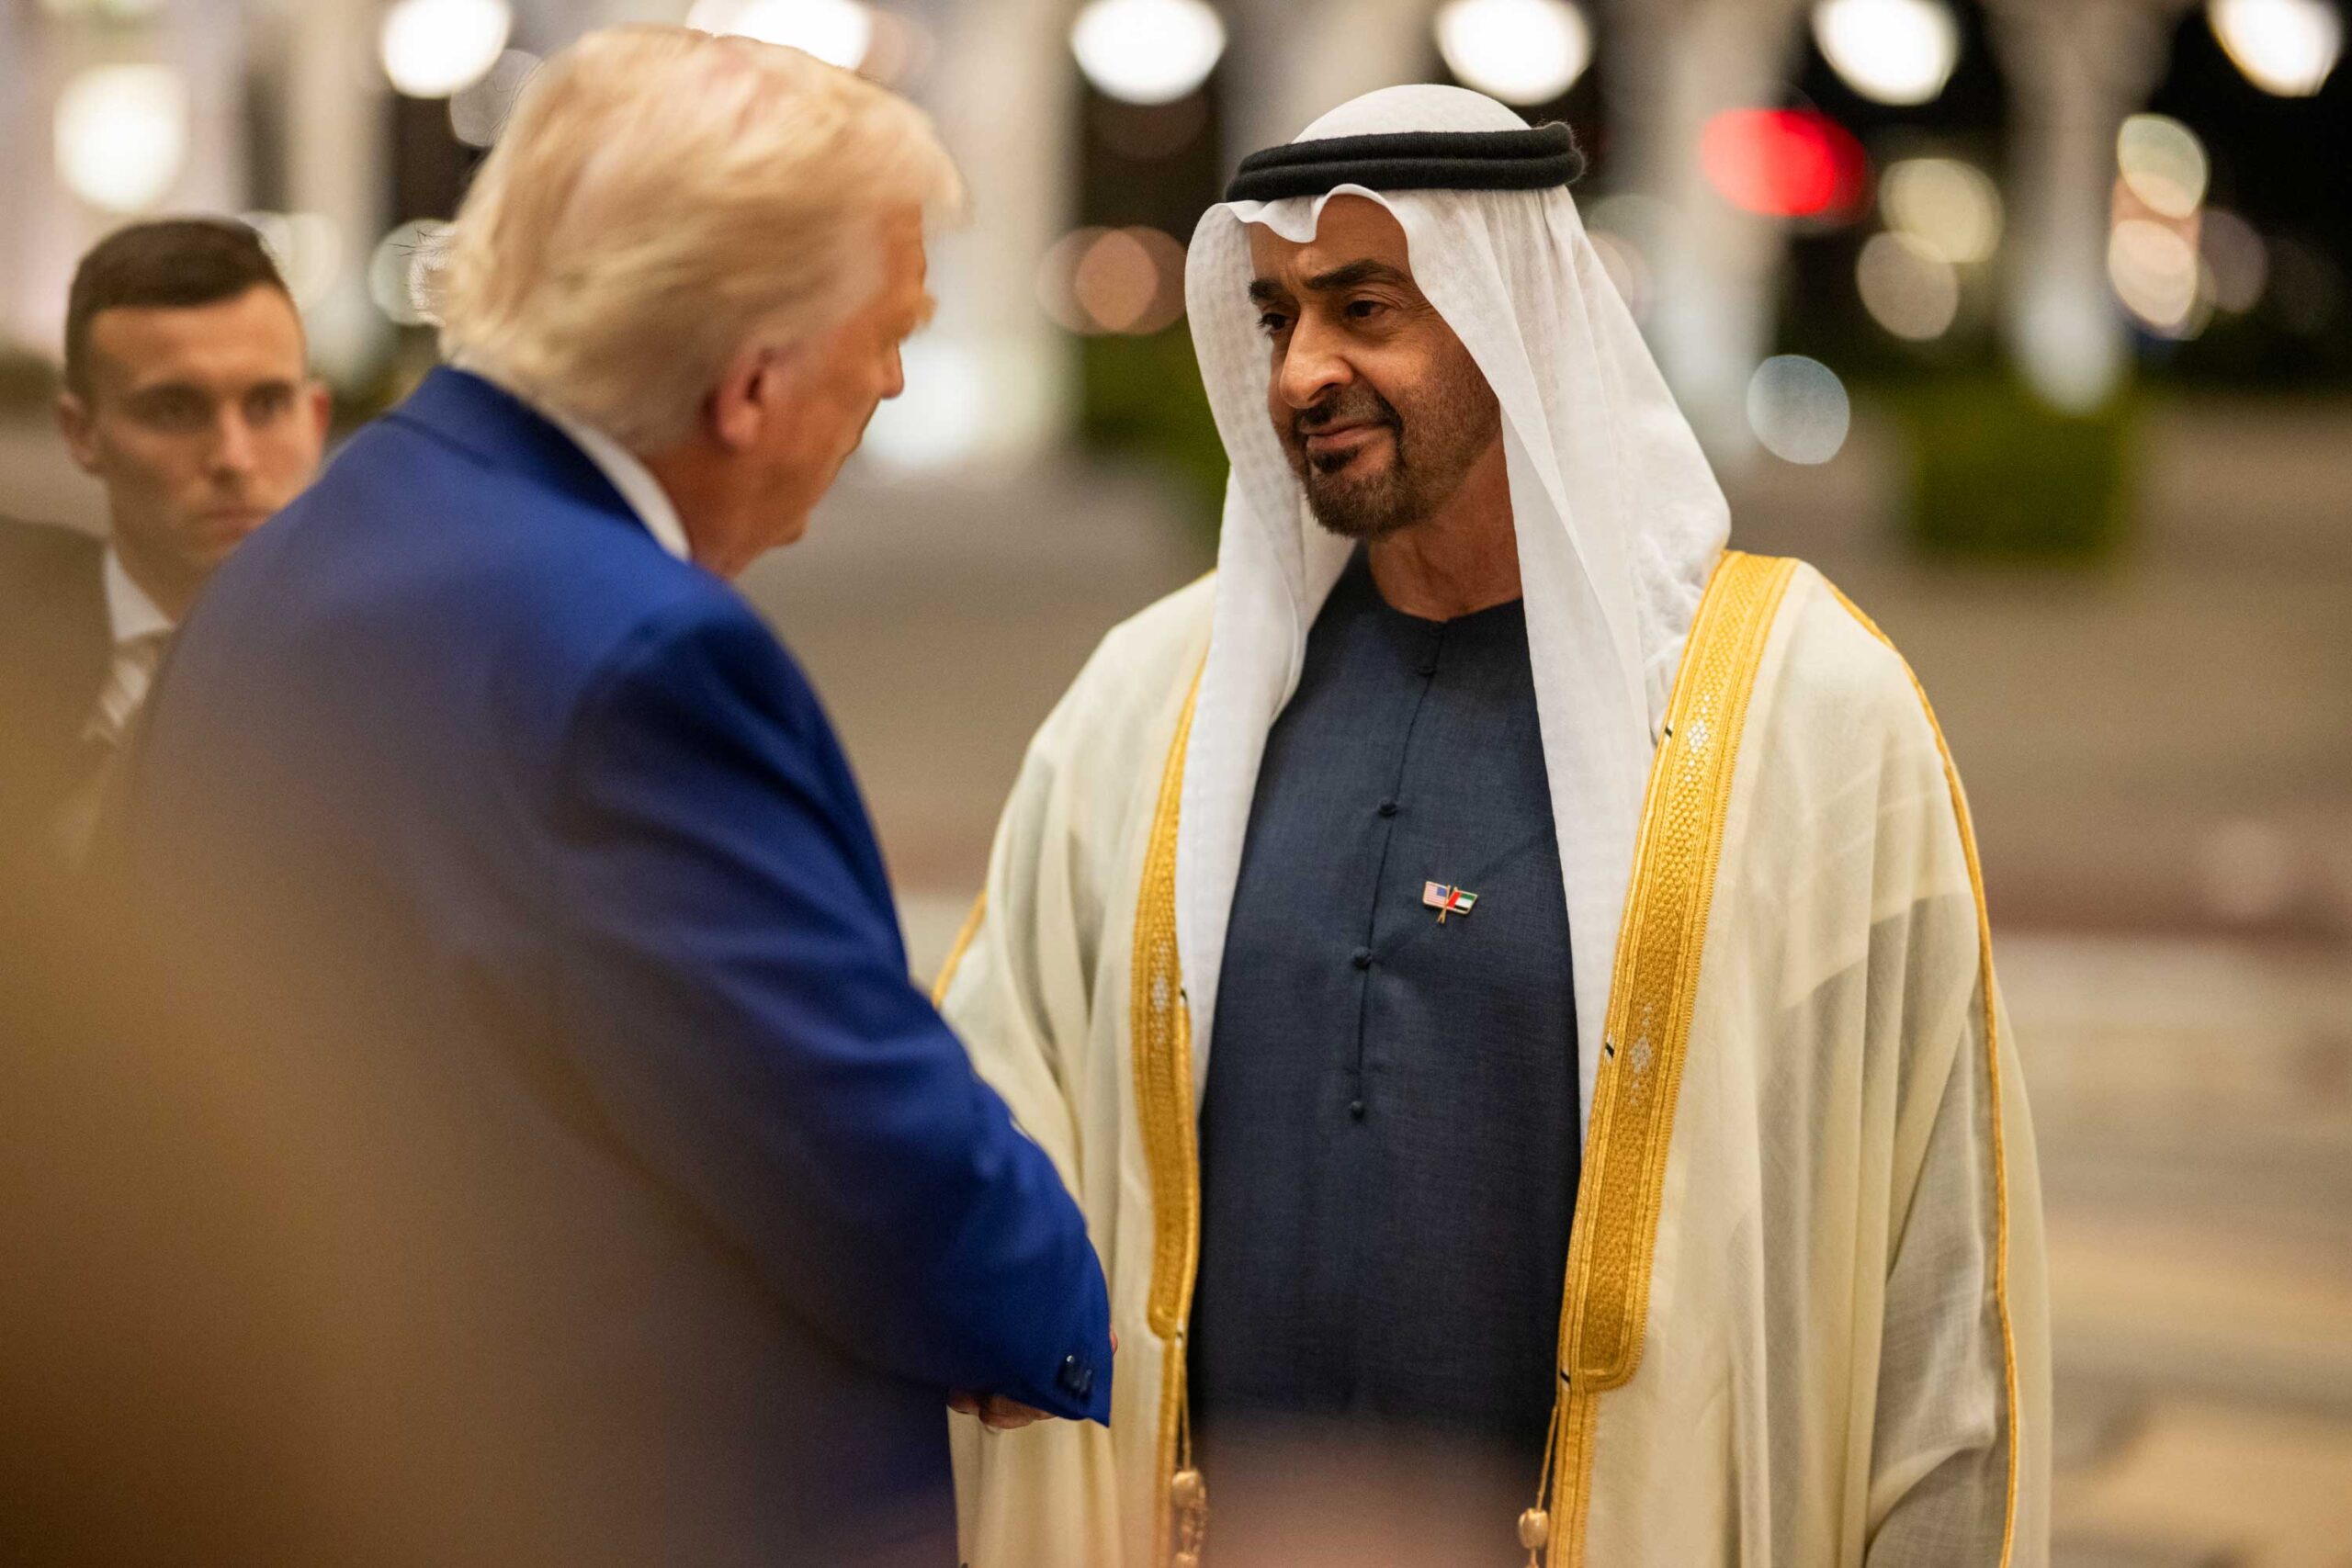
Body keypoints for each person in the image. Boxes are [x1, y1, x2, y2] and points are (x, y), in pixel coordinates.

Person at [938, 85, 2049, 1568]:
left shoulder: (1808, 718)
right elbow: (984, 1117)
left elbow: (1940, 1304)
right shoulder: (1152, 707)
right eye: (1276, 317)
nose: (1302, 374)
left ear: (1510, 313)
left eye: (1364, 306)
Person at [118, 27, 1110, 1566]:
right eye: (891, 331)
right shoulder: (645, 657)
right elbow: (851, 1134)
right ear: (754, 383)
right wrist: (1054, 1297)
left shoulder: (308, 547)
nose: (896, 377)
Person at [0, 218, 326, 865]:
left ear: (315, 418)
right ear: (81, 432)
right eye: (175, 410)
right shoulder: (17, 629)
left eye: (266, 405)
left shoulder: (405, 669)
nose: (233, 457)